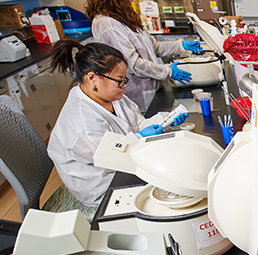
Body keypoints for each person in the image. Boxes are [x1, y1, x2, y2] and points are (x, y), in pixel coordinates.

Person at [47, 39, 188, 212]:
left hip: (125, 165)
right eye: (119, 80)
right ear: (92, 78)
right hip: (103, 186)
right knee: (173, 184)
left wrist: (165, 120)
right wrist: (139, 138)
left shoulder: (109, 96)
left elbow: (138, 124)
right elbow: (108, 157)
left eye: (124, 79)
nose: (124, 86)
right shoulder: (81, 120)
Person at [86, 0, 202, 112]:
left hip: (153, 89)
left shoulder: (124, 18)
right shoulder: (107, 24)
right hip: (138, 95)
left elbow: (155, 47)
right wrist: (167, 71)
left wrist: (181, 45)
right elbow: (132, 63)